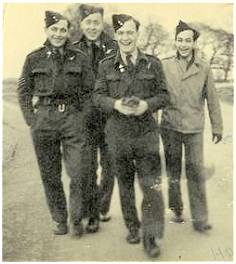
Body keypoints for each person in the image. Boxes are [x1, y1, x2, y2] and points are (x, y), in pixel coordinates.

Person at [93, 14, 169, 258]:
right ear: (116, 36)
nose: (126, 37)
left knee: (151, 187)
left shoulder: (152, 64)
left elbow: (164, 96)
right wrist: (115, 104)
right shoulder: (106, 65)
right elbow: (97, 97)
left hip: (146, 134)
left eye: (130, 32)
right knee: (125, 186)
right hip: (118, 135)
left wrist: (147, 105)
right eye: (121, 33)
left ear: (138, 35)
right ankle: (133, 227)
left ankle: (150, 236)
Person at [17, 11, 94, 236]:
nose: (59, 34)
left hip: (72, 118)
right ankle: (60, 219)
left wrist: (82, 117)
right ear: (47, 31)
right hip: (44, 119)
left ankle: (76, 218)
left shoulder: (79, 57)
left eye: (63, 29)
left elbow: (91, 91)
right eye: (54, 29)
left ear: (68, 31)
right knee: (50, 174)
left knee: (78, 172)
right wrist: (32, 120)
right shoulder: (34, 58)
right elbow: (23, 91)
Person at [160, 20, 223, 231]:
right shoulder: (165, 64)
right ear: (175, 41)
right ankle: (176, 207)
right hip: (169, 126)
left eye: (188, 40)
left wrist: (218, 126)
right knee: (173, 171)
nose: (183, 44)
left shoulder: (204, 67)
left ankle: (200, 219)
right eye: (180, 40)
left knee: (195, 171)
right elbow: (156, 95)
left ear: (194, 42)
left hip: (194, 128)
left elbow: (212, 99)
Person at [73, 4, 117, 230]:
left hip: (110, 117)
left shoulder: (114, 47)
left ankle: (102, 207)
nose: (92, 27)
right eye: (88, 22)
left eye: (96, 22)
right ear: (81, 24)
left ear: (102, 23)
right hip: (85, 119)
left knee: (110, 167)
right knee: (88, 167)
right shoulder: (73, 48)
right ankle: (92, 214)